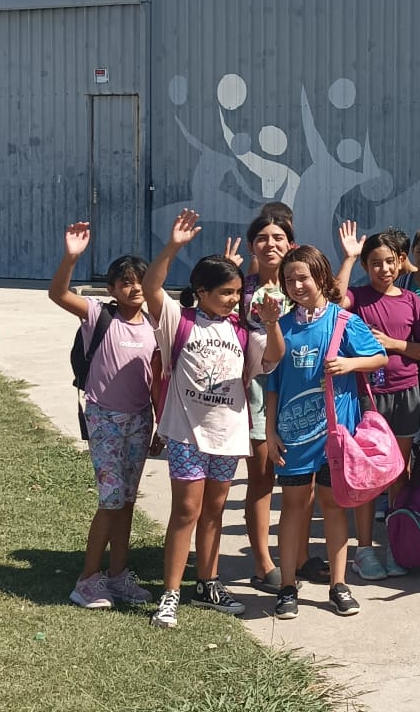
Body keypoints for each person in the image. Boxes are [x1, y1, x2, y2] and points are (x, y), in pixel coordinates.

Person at [144, 209, 283, 632]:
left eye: (237, 292)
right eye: (225, 292)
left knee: (215, 510)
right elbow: (152, 287)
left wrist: (272, 322)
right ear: (200, 292)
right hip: (186, 435)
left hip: (228, 436)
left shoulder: (244, 330)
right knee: (186, 509)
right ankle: (170, 593)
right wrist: (174, 247)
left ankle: (208, 582)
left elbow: (273, 358)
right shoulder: (178, 322)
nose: (233, 299)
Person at [263, 243, 388, 620]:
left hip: (336, 437)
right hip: (292, 437)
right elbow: (272, 383)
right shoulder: (282, 326)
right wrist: (270, 433)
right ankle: (287, 587)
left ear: (321, 277)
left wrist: (350, 364)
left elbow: (379, 356)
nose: (296, 285)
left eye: (302, 277)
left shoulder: (344, 322)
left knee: (334, 508)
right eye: (289, 280)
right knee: (293, 509)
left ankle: (339, 585)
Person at [48, 222, 158, 610]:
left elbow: (158, 378)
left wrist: (158, 422)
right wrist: (72, 257)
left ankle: (117, 575)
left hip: (141, 420)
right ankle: (87, 580)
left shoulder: (154, 326)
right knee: (111, 499)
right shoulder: (98, 315)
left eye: (140, 281)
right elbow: (58, 293)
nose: (134, 288)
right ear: (112, 288)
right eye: (125, 282)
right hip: (104, 418)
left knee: (127, 500)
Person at [335, 222, 420, 580]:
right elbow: (333, 298)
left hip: (405, 394)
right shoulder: (357, 298)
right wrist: (347, 258)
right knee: (367, 474)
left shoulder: (411, 301)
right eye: (375, 263)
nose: (384, 269)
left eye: (390, 262)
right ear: (366, 267)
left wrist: (393, 345)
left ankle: (394, 545)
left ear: (401, 262)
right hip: (366, 396)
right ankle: (363, 550)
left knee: (398, 474)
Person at [235, 203, 295, 592]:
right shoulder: (242, 288)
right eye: (262, 238)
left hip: (296, 393)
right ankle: (262, 561)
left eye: (278, 238)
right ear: (252, 246)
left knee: (298, 482)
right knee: (261, 479)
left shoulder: (302, 284)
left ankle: (298, 555)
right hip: (255, 394)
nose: (270, 244)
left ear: (292, 244)